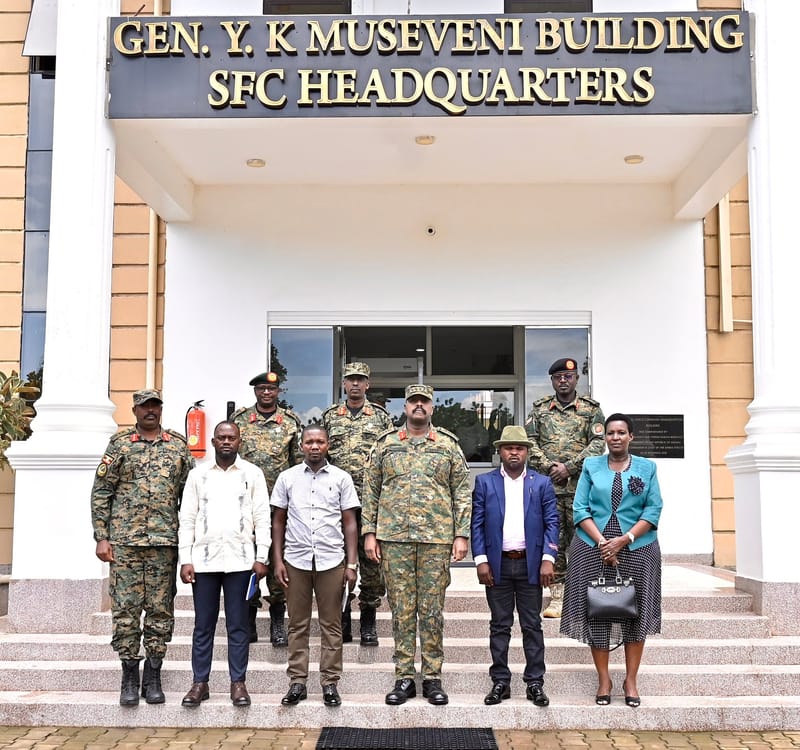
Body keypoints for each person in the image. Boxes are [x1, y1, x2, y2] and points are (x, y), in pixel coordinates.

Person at [362, 384, 471, 707]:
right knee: (402, 610)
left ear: (432, 408)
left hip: (436, 539)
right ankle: (404, 676)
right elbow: (372, 491)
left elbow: (461, 492)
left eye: (424, 402)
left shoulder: (448, 445)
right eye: (413, 402)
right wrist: (370, 532)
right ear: (405, 406)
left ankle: (433, 677)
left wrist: (461, 534)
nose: (419, 407)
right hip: (394, 539)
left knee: (432, 611)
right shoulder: (387, 444)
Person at [90, 388, 193, 706]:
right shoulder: (120, 445)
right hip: (125, 545)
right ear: (134, 411)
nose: (150, 411)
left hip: (164, 544)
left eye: (155, 406)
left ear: (161, 410)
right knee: (125, 612)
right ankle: (129, 677)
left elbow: (189, 498)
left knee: (160, 612)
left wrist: (189, 544)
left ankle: (154, 676)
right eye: (144, 406)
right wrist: (101, 536)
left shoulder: (177, 445)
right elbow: (102, 491)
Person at [559, 413, 663, 708]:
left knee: (636, 614)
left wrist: (624, 539)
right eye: (610, 433)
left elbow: (653, 510)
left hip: (638, 548)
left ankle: (631, 680)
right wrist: (604, 542)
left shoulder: (647, 467)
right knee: (598, 612)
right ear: (604, 438)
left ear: (631, 436)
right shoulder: (591, 466)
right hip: (593, 547)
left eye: (621, 432)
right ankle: (604, 679)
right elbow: (580, 509)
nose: (615, 437)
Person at [178, 422, 270, 708]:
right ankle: (200, 682)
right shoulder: (197, 475)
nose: (226, 442)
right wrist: (186, 559)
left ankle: (238, 682)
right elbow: (187, 518)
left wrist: (261, 556)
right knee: (203, 625)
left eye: (232, 437)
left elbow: (262, 517)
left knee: (238, 625)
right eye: (221, 438)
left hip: (241, 561)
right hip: (204, 561)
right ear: (213, 441)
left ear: (239, 441)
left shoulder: (252, 474)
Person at [271, 425, 360, 707]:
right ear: (301, 445)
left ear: (328, 445)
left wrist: (352, 563)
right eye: (309, 441)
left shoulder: (342, 478)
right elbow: (278, 521)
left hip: (332, 560)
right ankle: (297, 681)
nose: (314, 446)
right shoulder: (287, 478)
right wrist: (277, 560)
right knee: (297, 624)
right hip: (295, 560)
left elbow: (349, 523)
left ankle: (330, 682)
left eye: (320, 441)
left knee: (331, 625)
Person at [471, 425, 559, 708]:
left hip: (531, 565)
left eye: (519, 448)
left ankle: (535, 683)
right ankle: (500, 682)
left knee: (532, 625)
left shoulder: (541, 483)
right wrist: (481, 559)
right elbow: (477, 524)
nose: (514, 452)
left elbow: (552, 523)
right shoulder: (485, 482)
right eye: (508, 447)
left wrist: (549, 557)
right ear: (500, 451)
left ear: (527, 452)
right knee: (499, 625)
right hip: (497, 566)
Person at [525, 357, 605, 618]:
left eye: (568, 377)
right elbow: (529, 443)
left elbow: (598, 443)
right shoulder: (539, 410)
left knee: (584, 543)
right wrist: (550, 467)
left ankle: (584, 596)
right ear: (552, 380)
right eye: (558, 376)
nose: (563, 380)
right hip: (548, 489)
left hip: (582, 489)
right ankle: (558, 598)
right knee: (554, 542)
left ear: (576, 380)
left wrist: (569, 467)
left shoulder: (591, 410)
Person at [322, 361, 393, 646]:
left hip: (371, 503)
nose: (354, 384)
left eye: (359, 380)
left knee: (373, 567)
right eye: (350, 379)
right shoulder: (329, 417)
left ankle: (368, 620)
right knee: (338, 565)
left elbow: (389, 457)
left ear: (367, 384)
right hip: (336, 506)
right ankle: (342, 619)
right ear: (343, 384)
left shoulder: (380, 418)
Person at [232, 371, 302, 647]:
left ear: (278, 393)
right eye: (261, 389)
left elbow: (297, 466)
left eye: (271, 389)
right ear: (255, 392)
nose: (266, 393)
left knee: (277, 561)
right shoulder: (240, 422)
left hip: (278, 506)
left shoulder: (290, 423)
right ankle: (248, 619)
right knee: (246, 560)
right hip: (245, 505)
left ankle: (277, 621)